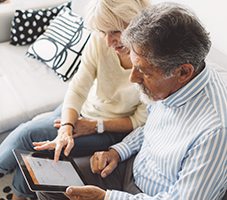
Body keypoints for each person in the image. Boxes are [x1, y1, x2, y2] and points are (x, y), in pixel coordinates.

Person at [37, 2, 227, 200]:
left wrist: (108, 198)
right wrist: (117, 152)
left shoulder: (215, 132)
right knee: (49, 183)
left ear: (183, 72)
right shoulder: (172, 86)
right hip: (131, 169)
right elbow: (150, 130)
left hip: (150, 195)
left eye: (143, 71)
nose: (133, 79)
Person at [0, 0, 151, 199]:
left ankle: (18, 193)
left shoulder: (153, 60)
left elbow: (138, 121)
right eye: (103, 32)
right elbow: (78, 88)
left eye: (114, 31)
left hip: (110, 129)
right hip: (82, 109)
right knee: (34, 141)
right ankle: (18, 193)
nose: (108, 41)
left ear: (136, 23)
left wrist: (95, 125)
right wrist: (66, 127)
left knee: (29, 137)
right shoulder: (99, 41)